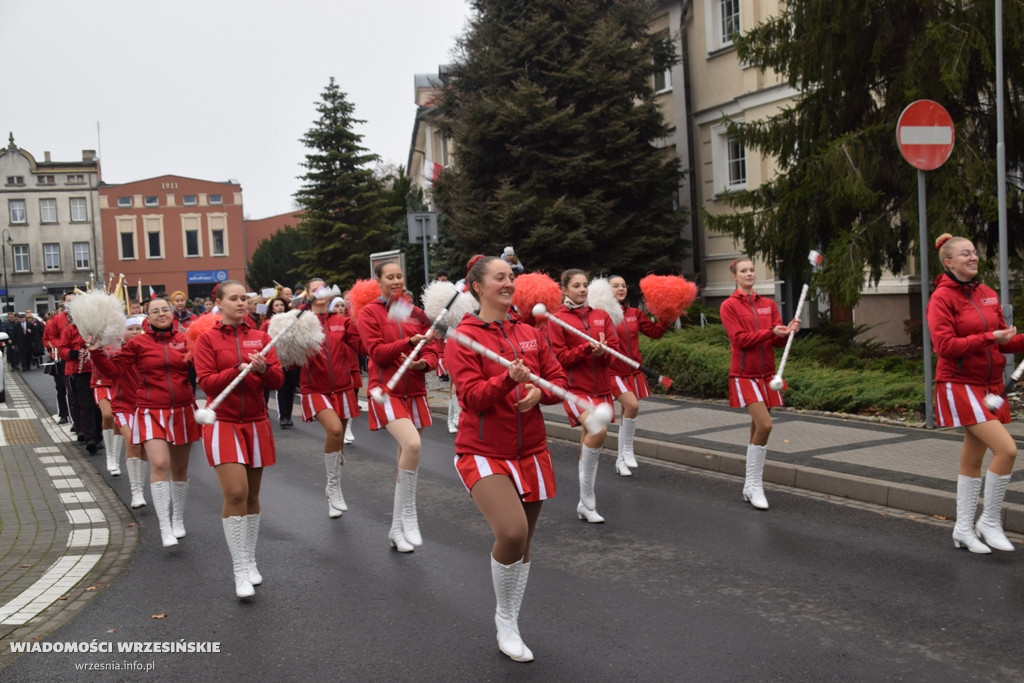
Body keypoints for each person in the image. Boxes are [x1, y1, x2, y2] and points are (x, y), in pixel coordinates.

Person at [445, 255, 567, 662]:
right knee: (512, 533)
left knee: (524, 543)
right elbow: (472, 397)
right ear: (478, 287)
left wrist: (539, 392)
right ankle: (504, 619)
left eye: (511, 276)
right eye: (500, 277)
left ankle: (512, 620)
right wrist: (506, 380)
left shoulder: (529, 332)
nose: (508, 282)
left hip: (531, 449)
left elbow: (558, 379)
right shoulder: (463, 337)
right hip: (482, 451)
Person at [927, 234, 1024, 554]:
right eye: (965, 254)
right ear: (948, 262)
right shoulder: (941, 298)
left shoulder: (986, 294)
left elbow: (1003, 342)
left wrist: (1015, 339)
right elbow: (944, 346)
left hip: (989, 385)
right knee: (1007, 451)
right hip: (958, 383)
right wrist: (988, 336)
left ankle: (963, 529)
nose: (973, 257)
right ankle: (989, 521)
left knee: (973, 458)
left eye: (975, 252)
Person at [194, 280, 284, 598]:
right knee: (235, 492)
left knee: (252, 497)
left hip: (257, 422)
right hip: (223, 423)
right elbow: (206, 382)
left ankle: (250, 558)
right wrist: (238, 368)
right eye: (233, 298)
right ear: (218, 302)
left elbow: (278, 379)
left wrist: (261, 370)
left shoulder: (260, 337)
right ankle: (239, 570)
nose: (240, 303)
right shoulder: (206, 340)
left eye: (243, 298)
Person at [91, 295, 200, 547]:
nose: (161, 314)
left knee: (180, 470)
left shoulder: (185, 339)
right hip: (151, 410)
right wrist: (96, 351)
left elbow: (204, 367)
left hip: (183, 410)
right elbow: (114, 371)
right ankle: (164, 527)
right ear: (147, 317)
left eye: (165, 310)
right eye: (155, 311)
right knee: (160, 464)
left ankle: (177, 519)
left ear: (171, 314)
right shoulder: (138, 343)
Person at [357, 261, 438, 552]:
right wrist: (408, 341)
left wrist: (424, 361)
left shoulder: (415, 313)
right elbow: (376, 352)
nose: (396, 280)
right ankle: (408, 515)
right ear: (377, 281)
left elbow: (433, 347)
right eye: (389, 277)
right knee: (413, 446)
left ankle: (395, 529)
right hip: (386, 390)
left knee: (407, 458)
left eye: (399, 275)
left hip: (414, 390)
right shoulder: (369, 312)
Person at [719, 258, 800, 510]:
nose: (749, 273)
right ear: (734, 276)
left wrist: (787, 332)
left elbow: (776, 342)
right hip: (744, 376)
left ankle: (749, 485)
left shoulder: (768, 304)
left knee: (757, 428)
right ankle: (755, 485)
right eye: (743, 271)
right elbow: (739, 340)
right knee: (765, 425)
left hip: (768, 375)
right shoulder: (728, 306)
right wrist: (771, 332)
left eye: (752, 269)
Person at [545, 268, 621, 523]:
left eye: (585, 284)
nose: (582, 289)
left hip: (602, 389)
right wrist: (585, 349)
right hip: (575, 390)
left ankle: (582, 503)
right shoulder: (557, 320)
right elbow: (560, 358)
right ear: (564, 290)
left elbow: (615, 352)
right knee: (598, 432)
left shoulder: (601, 316)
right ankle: (588, 502)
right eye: (576, 285)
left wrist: (603, 352)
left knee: (590, 437)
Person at [301, 279, 363, 519]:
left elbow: (364, 347)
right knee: (336, 431)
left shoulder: (342, 322)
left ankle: (333, 491)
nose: (319, 292)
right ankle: (333, 488)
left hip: (343, 388)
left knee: (338, 446)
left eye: (322, 288)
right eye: (313, 289)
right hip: (314, 389)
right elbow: (287, 355)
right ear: (307, 294)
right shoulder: (301, 322)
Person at [607, 276, 673, 476]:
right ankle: (627, 450)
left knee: (628, 411)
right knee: (632, 405)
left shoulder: (634, 313)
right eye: (616, 285)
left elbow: (654, 333)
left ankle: (621, 459)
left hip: (633, 371)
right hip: (612, 371)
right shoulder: (603, 314)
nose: (621, 288)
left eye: (624, 285)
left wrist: (667, 317)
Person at [111, 316, 149, 508]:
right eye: (130, 329)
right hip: (122, 405)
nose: (134, 332)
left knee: (142, 446)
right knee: (133, 442)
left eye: (137, 329)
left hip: (144, 405)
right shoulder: (115, 351)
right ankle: (136, 492)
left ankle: (140, 487)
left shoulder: (146, 349)